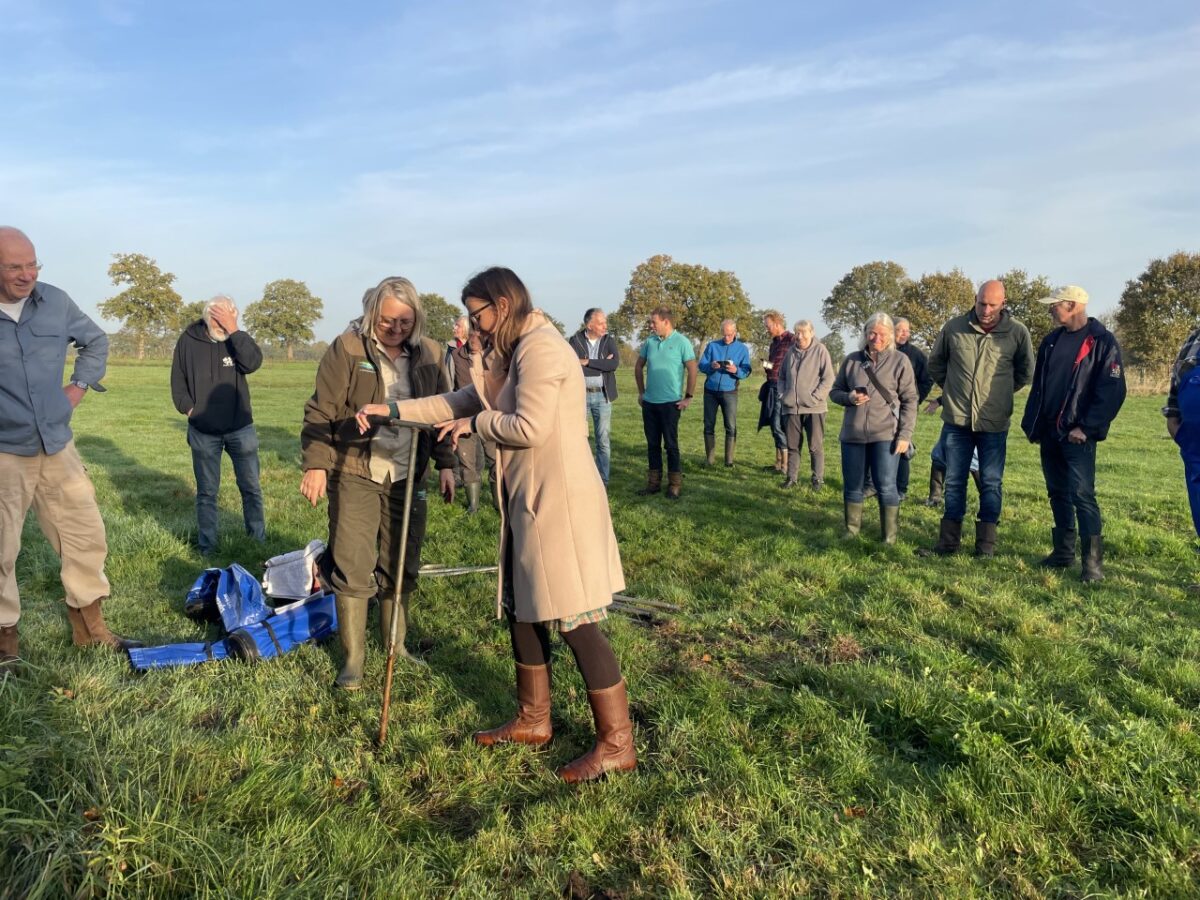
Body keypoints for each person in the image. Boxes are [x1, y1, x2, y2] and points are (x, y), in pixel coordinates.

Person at [356, 266, 635, 784]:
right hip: (526, 500)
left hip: (559, 506)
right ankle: (533, 719)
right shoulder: (513, 350)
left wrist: (476, 424)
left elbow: (525, 427)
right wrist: (391, 409)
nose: (472, 323)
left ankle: (617, 744)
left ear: (501, 307)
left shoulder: (544, 351)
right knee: (523, 608)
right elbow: (462, 400)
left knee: (574, 620)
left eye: (476, 313)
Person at [300, 277, 457, 688]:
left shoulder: (431, 353)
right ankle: (353, 660)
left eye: (405, 322)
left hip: (409, 472)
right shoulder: (348, 349)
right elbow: (320, 410)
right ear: (373, 314)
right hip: (356, 469)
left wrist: (445, 464)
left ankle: (396, 646)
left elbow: (443, 412)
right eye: (388, 321)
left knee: (401, 562)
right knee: (353, 561)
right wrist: (316, 465)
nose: (397, 329)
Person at [0, 226, 140, 670]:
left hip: (57, 445)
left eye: (32, 264)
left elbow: (96, 340)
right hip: (5, 450)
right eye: (14, 267)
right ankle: (5, 643)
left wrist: (78, 386)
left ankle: (89, 628)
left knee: (84, 534)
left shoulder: (55, 301)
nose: (27, 275)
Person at [1021, 286, 1125, 582]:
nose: (1050, 310)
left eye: (1054, 305)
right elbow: (1040, 385)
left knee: (1082, 494)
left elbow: (1112, 391)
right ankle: (1063, 552)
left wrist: (1086, 428)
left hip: (1078, 434)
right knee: (1057, 492)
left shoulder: (1103, 341)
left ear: (1073, 305)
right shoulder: (1051, 341)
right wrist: (1035, 424)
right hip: (1050, 431)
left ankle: (1092, 565)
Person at [924, 280, 1034, 558]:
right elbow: (936, 364)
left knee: (991, 482)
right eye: (982, 303)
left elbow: (1024, 372)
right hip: (957, 420)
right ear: (975, 299)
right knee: (954, 481)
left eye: (992, 305)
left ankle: (986, 546)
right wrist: (953, 389)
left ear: (1003, 304)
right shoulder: (953, 328)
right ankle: (948, 543)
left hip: (994, 422)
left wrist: (1001, 393)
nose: (986, 309)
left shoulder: (1017, 333)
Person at [170, 296, 265, 556]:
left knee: (251, 487)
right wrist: (191, 410)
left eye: (229, 319)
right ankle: (207, 547)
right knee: (207, 492)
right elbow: (178, 382)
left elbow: (253, 363)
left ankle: (257, 541)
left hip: (240, 427)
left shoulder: (236, 340)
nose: (222, 325)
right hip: (203, 431)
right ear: (206, 318)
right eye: (218, 320)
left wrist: (234, 329)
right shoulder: (188, 341)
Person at [829, 313, 917, 543]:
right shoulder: (851, 360)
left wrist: (905, 435)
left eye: (882, 334)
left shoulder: (900, 361)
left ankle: (889, 537)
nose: (876, 337)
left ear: (890, 336)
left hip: (886, 434)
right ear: (866, 333)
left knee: (886, 486)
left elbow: (910, 401)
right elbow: (834, 391)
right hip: (853, 434)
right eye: (872, 332)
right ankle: (851, 531)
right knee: (853, 485)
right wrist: (848, 397)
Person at [634, 307, 698, 499]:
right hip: (650, 403)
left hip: (671, 404)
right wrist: (641, 392)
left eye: (654, 322)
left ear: (666, 322)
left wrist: (688, 397)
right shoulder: (650, 342)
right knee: (652, 444)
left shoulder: (682, 342)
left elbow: (692, 369)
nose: (651, 325)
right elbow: (639, 365)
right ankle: (653, 483)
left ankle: (674, 484)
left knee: (671, 445)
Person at [444, 315, 497, 513]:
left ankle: (498, 503)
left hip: (489, 415)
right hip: (462, 416)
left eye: (479, 336)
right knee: (467, 462)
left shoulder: (493, 356)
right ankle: (473, 506)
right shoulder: (456, 356)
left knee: (495, 460)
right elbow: (449, 385)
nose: (476, 340)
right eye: (473, 335)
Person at [777, 320, 834, 489]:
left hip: (814, 409)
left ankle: (817, 479)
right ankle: (791, 478)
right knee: (793, 446)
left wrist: (815, 398)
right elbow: (781, 377)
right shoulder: (790, 352)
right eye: (797, 332)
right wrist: (783, 395)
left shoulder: (821, 350)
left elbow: (829, 378)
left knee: (815, 446)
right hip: (791, 408)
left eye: (803, 332)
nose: (799, 336)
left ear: (812, 333)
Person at [567, 308, 620, 485]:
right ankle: (580, 478)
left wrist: (587, 361)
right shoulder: (574, 341)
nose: (605, 326)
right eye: (601, 323)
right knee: (579, 438)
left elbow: (613, 364)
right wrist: (601, 364)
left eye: (605, 322)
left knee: (603, 440)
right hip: (580, 397)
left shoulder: (609, 340)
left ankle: (602, 480)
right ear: (589, 325)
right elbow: (572, 366)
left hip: (603, 397)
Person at [697, 319, 751, 466]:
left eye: (729, 334)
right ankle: (710, 460)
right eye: (724, 334)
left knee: (731, 426)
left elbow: (747, 371)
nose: (726, 337)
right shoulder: (712, 346)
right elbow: (701, 365)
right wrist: (711, 366)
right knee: (708, 424)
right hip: (710, 391)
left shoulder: (742, 349)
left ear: (734, 333)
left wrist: (736, 371)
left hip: (730, 391)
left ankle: (729, 461)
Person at [894, 318, 933, 500]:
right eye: (900, 330)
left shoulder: (916, 355)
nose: (904, 333)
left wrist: (916, 400)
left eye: (907, 330)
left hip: (905, 408)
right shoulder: (882, 351)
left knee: (902, 446)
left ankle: (901, 489)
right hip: (884, 409)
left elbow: (927, 379)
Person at [759, 311, 794, 472]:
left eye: (768, 326)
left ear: (778, 324)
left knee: (777, 424)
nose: (767, 329)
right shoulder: (773, 343)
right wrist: (766, 365)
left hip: (783, 388)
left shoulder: (791, 340)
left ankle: (786, 466)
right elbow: (774, 366)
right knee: (773, 424)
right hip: (771, 385)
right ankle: (778, 462)